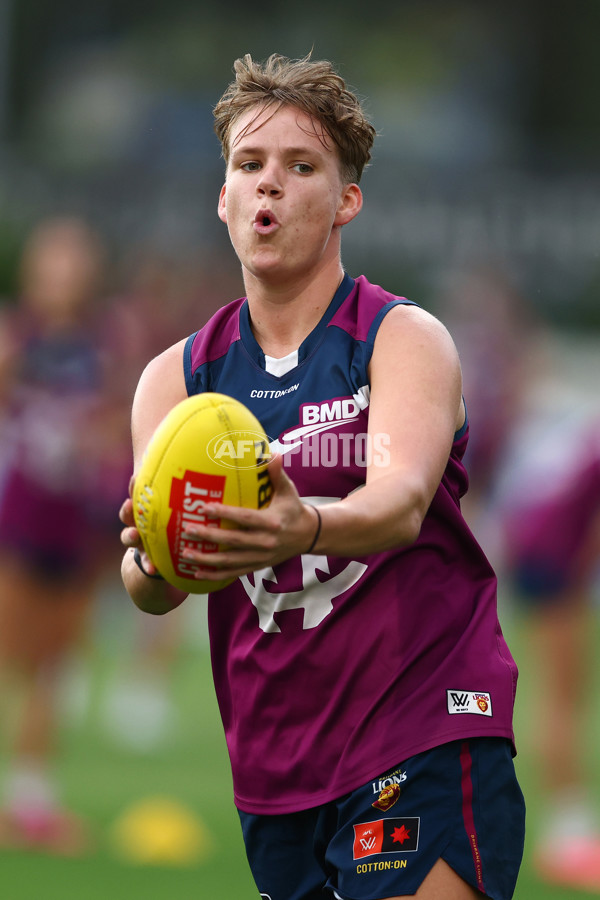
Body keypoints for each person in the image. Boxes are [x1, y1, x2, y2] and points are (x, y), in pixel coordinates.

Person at [119, 53, 525, 900]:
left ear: (346, 202)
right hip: (277, 756)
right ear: (223, 199)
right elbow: (154, 588)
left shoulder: (401, 340)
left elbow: (401, 502)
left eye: (301, 168)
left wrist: (300, 525)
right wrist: (153, 560)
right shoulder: (177, 381)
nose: (269, 186)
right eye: (249, 166)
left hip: (421, 718)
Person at [0, 216, 117, 853]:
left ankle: (31, 802)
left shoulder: (101, 345)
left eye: (75, 261)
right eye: (54, 260)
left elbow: (112, 427)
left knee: (52, 671)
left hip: (72, 529)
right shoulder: (16, 337)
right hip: (15, 522)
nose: (65, 273)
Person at [497, 410, 600, 893]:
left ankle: (569, 832)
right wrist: (577, 586)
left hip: (541, 551)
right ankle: (568, 838)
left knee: (561, 697)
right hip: (554, 562)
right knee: (561, 698)